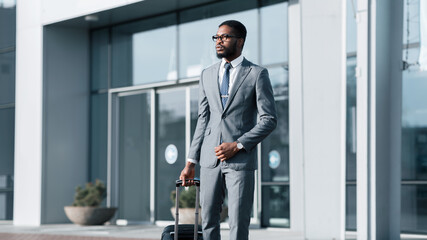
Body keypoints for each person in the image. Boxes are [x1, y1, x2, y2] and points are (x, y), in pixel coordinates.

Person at [179, 20, 277, 240]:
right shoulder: (206, 74)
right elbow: (203, 120)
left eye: (224, 37)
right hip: (209, 160)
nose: (219, 42)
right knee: (208, 221)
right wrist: (190, 163)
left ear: (239, 41)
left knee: (238, 222)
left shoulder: (256, 74)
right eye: (216, 37)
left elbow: (269, 119)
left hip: (240, 160)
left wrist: (238, 144)